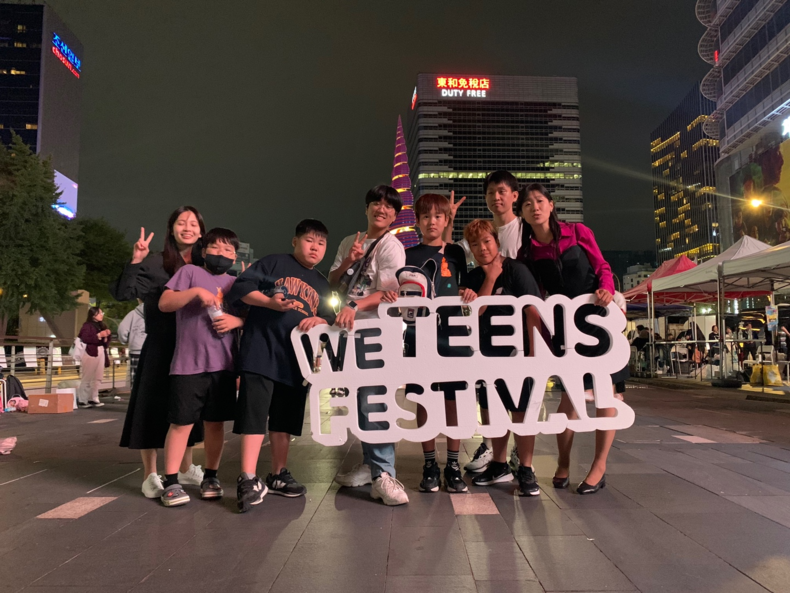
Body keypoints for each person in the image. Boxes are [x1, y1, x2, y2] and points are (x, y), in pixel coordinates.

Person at [517, 182, 627, 495]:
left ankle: (599, 466)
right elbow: (536, 298)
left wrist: (606, 288)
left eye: (540, 201)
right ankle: (563, 461)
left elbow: (602, 265)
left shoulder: (577, 232)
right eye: (528, 204)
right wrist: (541, 341)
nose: (535, 208)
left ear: (551, 205)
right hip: (565, 328)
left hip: (598, 319)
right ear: (522, 213)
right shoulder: (528, 252)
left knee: (605, 394)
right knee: (569, 398)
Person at [227, 219, 336, 512]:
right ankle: (247, 477)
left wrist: (321, 319)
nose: (315, 247)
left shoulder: (321, 282)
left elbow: (330, 317)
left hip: (296, 359)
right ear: (295, 241)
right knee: (254, 414)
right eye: (309, 240)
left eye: (321, 243)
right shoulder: (273, 262)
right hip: (261, 351)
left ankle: (277, 474)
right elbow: (241, 288)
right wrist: (268, 302)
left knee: (284, 421)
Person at [110, 207, 206, 499]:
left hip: (192, 346)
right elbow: (123, 293)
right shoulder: (154, 262)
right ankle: (150, 474)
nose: (187, 228)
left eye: (193, 224)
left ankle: (186, 468)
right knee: (151, 408)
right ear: (171, 229)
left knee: (187, 409)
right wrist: (136, 260)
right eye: (181, 223)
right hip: (161, 345)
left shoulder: (204, 264)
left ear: (201, 231)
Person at [330, 185, 409, 506]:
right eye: (376, 203)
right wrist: (349, 260)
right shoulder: (349, 241)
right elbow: (333, 281)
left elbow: (389, 293)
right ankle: (370, 464)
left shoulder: (392, 247)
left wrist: (354, 305)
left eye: (389, 206)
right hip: (349, 332)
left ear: (394, 215)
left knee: (375, 400)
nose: (381, 209)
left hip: (378, 332)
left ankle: (384, 473)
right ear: (366, 208)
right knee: (360, 400)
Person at [443, 170, 524, 473]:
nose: (496, 197)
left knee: (519, 394)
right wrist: (449, 221)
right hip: (488, 329)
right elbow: (451, 255)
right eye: (491, 192)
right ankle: (491, 446)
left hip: (517, 324)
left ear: (515, 195)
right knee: (489, 392)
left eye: (502, 191)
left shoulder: (525, 229)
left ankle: (517, 452)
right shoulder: (481, 233)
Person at [157, 228, 243, 507]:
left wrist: (237, 321)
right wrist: (195, 292)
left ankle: (211, 476)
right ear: (204, 251)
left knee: (215, 425)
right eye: (216, 248)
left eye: (229, 250)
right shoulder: (189, 273)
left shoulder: (235, 283)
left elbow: (251, 316)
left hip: (224, 365)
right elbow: (165, 303)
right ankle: (171, 482)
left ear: (235, 257)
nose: (222, 254)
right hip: (188, 365)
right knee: (181, 423)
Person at [398, 193, 476, 494]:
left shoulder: (456, 252)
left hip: (453, 333)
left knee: (453, 399)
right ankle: (429, 463)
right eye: (426, 216)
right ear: (417, 222)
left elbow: (463, 284)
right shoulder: (407, 255)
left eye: (438, 216)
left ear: (446, 221)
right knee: (423, 398)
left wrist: (467, 291)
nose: (432, 221)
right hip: (419, 334)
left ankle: (453, 465)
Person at [462, 220, 543, 497]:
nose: (482, 248)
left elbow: (533, 311)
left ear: (496, 241)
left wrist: (533, 354)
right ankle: (498, 464)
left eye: (487, 241)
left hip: (516, 354)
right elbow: (476, 312)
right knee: (492, 411)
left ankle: (526, 468)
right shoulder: (474, 277)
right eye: (475, 244)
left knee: (521, 411)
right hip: (486, 355)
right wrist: (490, 278)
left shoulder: (516, 270)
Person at [76, 307, 111, 408]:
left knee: (98, 376)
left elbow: (105, 342)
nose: (101, 315)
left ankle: (93, 397)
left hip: (100, 351)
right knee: (87, 376)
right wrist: (99, 335)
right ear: (93, 315)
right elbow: (85, 338)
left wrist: (106, 337)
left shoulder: (102, 325)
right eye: (99, 313)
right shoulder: (87, 325)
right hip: (90, 352)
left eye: (101, 313)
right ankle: (83, 400)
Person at [117, 300, 147, 391]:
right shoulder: (159, 311)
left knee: (136, 379)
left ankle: (136, 397)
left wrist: (125, 340)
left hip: (136, 349)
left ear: (138, 299)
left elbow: (122, 329)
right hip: (153, 349)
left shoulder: (133, 314)